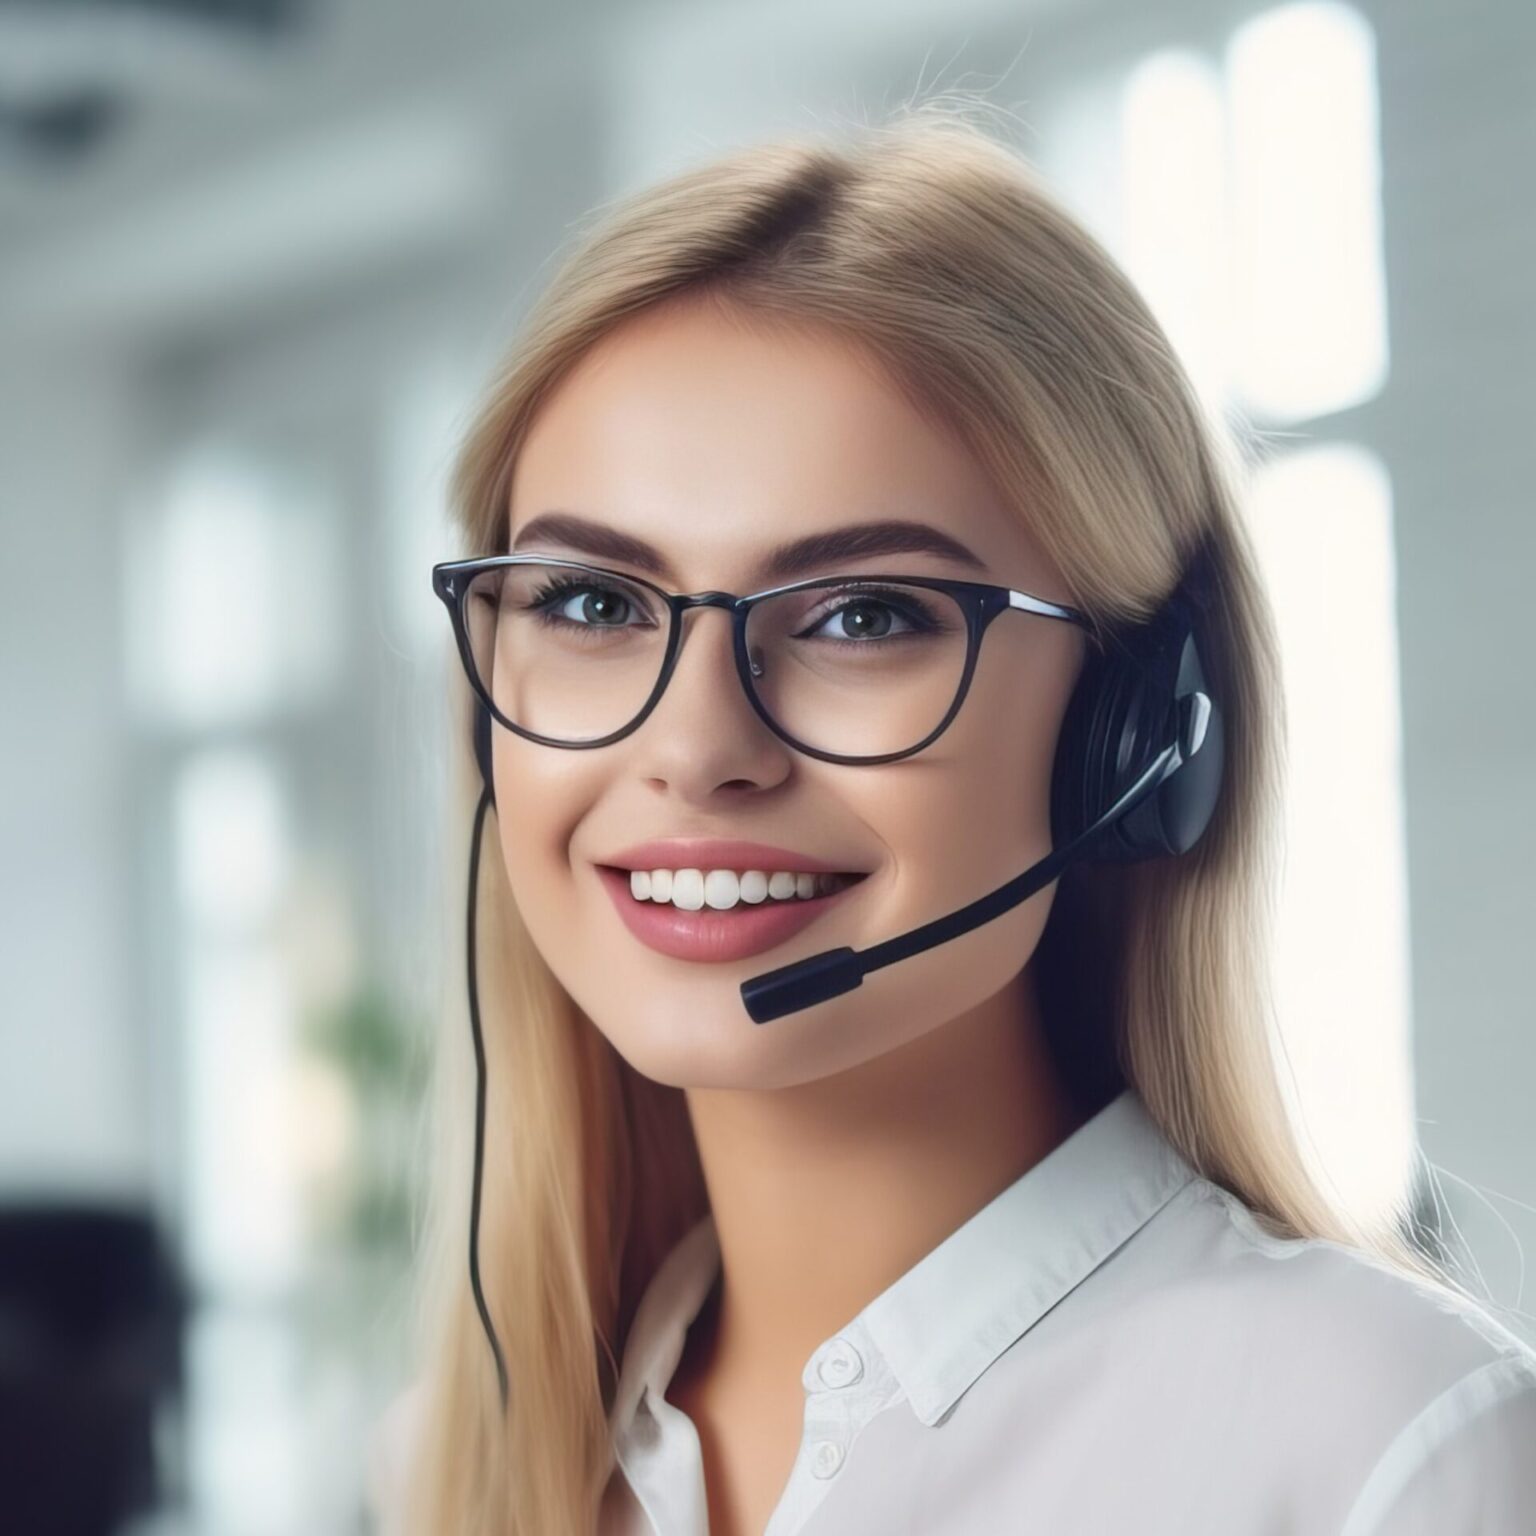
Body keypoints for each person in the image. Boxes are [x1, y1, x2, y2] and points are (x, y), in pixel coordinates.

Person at [367, 104, 1536, 1535]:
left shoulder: (1383, 1446)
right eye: (593, 603)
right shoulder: (471, 1468)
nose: (693, 747)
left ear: (1134, 734)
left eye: (865, 616)